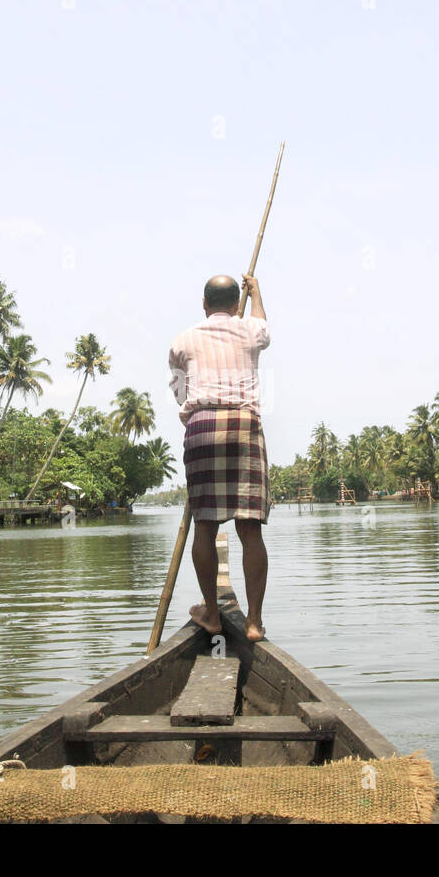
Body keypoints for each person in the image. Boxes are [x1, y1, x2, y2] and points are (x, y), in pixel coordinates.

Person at [168, 273, 271, 641]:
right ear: (235, 303)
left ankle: (212, 614)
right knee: (249, 529)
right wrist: (256, 292)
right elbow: (262, 326)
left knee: (206, 528)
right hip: (243, 424)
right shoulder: (248, 330)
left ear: (204, 304)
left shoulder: (183, 340)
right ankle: (254, 623)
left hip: (203, 426)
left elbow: (180, 392)